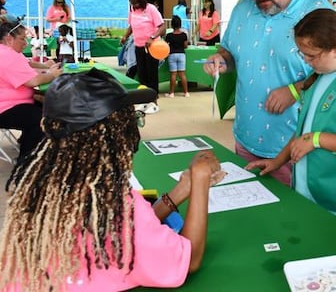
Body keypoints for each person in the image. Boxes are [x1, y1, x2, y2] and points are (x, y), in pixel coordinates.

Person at [0, 69, 224, 291]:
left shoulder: (42, 187)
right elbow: (189, 260)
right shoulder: (117, 206)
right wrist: (201, 179)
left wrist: (182, 189)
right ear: (115, 134)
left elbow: (121, 233)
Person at [246, 9, 336, 221]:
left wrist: (317, 140)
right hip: (308, 192)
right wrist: (278, 161)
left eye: (311, 55)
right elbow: (303, 130)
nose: (306, 61)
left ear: (335, 49)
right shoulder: (318, 77)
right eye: (302, 54)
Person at [203, 0, 330, 185]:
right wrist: (221, 61)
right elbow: (228, 52)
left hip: (295, 149)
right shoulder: (243, 9)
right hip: (245, 139)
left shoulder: (318, 13)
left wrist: (295, 90)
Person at [0, 14, 62, 163]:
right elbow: (33, 80)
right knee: (42, 118)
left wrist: (46, 69)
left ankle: (33, 146)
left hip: (13, 104)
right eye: (22, 38)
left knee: (50, 107)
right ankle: (26, 161)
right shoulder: (6, 55)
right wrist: (52, 74)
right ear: (9, 38)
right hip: (5, 108)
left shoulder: (9, 53)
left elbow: (27, 68)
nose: (26, 43)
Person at [120, 0, 166, 114]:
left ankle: (153, 100)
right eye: (132, 3)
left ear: (142, 0)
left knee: (152, 75)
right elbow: (131, 26)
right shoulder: (132, 10)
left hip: (152, 47)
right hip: (139, 46)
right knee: (141, 74)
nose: (134, 5)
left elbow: (162, 26)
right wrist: (125, 36)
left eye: (136, 3)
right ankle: (144, 100)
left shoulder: (151, 9)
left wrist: (152, 37)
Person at [165, 15, 190, 98]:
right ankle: (186, 92)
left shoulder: (168, 35)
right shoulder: (184, 35)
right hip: (181, 55)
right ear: (180, 24)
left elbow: (165, 46)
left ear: (172, 25)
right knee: (182, 74)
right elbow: (185, 45)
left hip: (172, 55)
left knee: (173, 75)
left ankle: (171, 93)